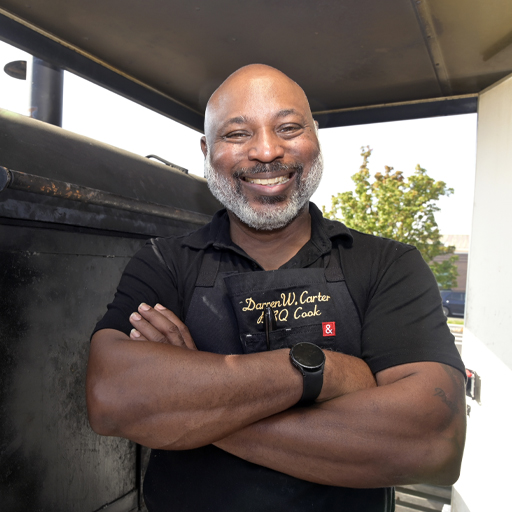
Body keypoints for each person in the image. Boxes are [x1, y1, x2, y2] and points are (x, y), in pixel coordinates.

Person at [86, 64, 466, 512]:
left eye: (288, 128)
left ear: (315, 140)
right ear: (207, 150)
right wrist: (323, 372)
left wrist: (186, 409)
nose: (266, 151)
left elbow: (431, 443)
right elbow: (113, 398)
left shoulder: (388, 265)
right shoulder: (164, 262)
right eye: (236, 134)